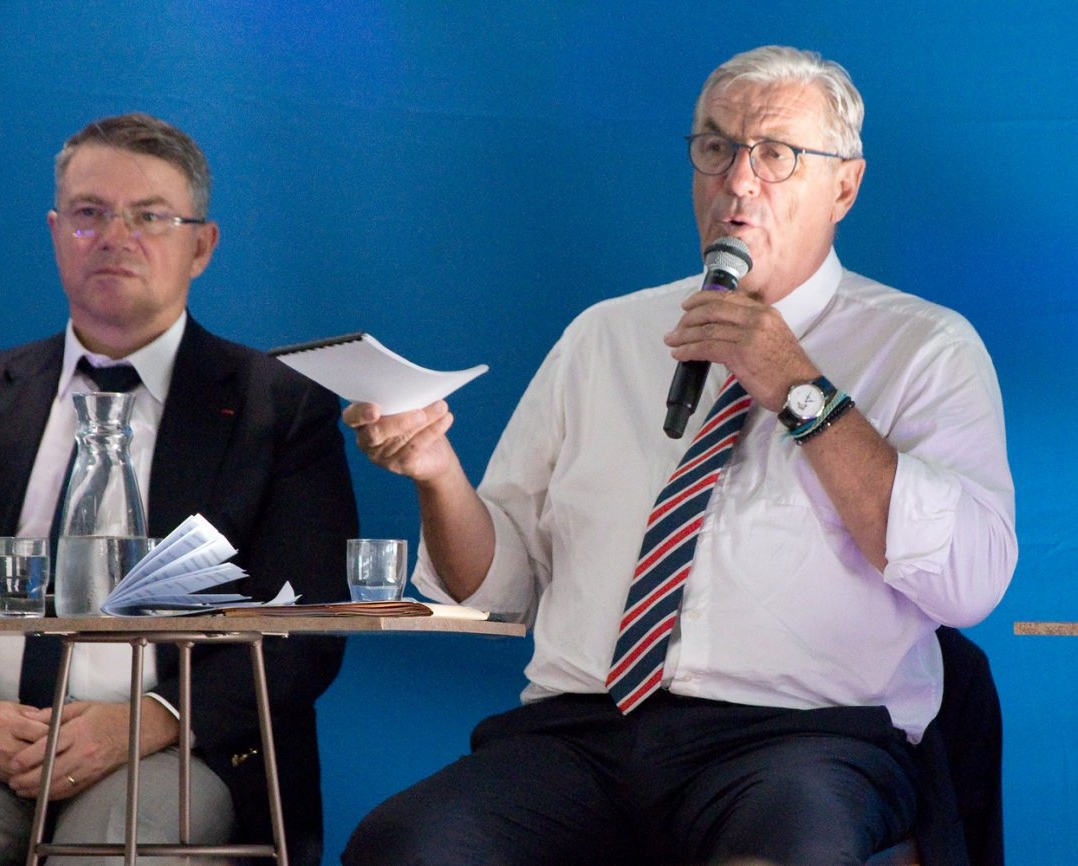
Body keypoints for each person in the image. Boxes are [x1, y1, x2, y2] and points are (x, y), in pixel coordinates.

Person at [341, 46, 1015, 866]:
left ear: (844, 187)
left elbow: (970, 583)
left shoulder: (924, 347)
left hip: (799, 739)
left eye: (776, 155)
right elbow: (499, 587)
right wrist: (438, 474)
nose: (738, 182)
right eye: (717, 148)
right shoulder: (605, 336)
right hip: (585, 731)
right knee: (402, 846)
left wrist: (797, 385)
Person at [0, 113, 358, 866]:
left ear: (201, 246)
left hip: (180, 750)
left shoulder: (280, 406)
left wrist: (155, 718)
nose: (114, 236)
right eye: (89, 213)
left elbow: (305, 627)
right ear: (55, 233)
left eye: (150, 216)